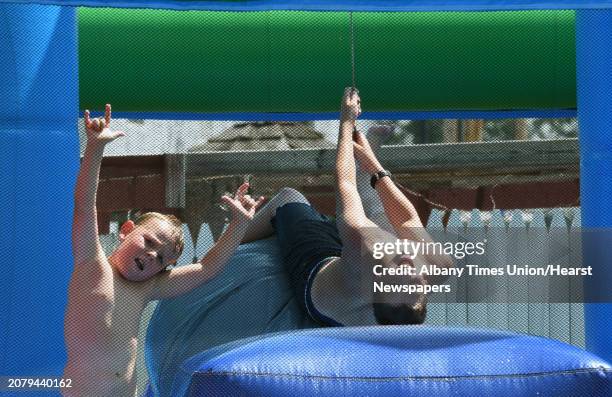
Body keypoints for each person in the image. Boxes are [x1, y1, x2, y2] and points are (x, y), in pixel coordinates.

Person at [62, 105, 264, 397]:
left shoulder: (146, 288)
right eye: (149, 242)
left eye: (162, 258)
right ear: (126, 230)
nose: (152, 256)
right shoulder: (92, 267)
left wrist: (239, 225)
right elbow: (84, 207)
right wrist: (94, 149)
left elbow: (207, 269)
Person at [241, 88, 453, 326]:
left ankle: (229, 242)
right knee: (390, 228)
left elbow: (344, 184)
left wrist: (346, 120)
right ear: (427, 287)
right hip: (363, 301)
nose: (405, 263)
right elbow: (406, 220)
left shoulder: (362, 250)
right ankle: (368, 178)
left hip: (318, 280)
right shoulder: (439, 266)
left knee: (287, 197)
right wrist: (373, 166)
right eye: (413, 281)